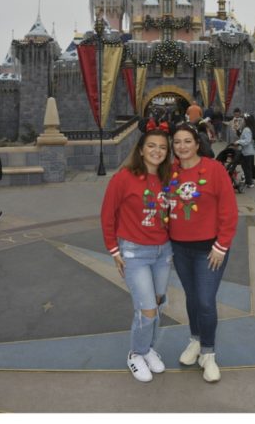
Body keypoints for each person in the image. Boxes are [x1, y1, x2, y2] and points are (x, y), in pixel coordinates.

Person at [101, 128, 174, 383]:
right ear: (141, 149)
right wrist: (113, 249)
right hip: (134, 252)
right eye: (151, 146)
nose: (157, 151)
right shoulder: (124, 178)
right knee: (147, 309)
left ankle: (148, 348)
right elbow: (108, 214)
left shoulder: (168, 179)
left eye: (163, 147)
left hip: (163, 251)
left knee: (158, 302)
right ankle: (136, 353)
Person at [168, 123, 238, 383]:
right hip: (179, 247)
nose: (182, 146)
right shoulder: (170, 172)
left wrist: (221, 245)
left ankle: (208, 353)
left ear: (197, 143)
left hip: (210, 250)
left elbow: (229, 211)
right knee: (192, 298)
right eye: (177, 142)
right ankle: (195, 340)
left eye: (187, 141)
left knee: (206, 301)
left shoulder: (215, 169)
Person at [235, 114, 255, 188]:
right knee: (251, 165)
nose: (243, 121)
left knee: (246, 166)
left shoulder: (247, 129)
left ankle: (249, 182)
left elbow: (247, 140)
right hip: (251, 151)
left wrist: (238, 142)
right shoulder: (253, 128)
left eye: (244, 120)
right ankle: (252, 179)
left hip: (247, 151)